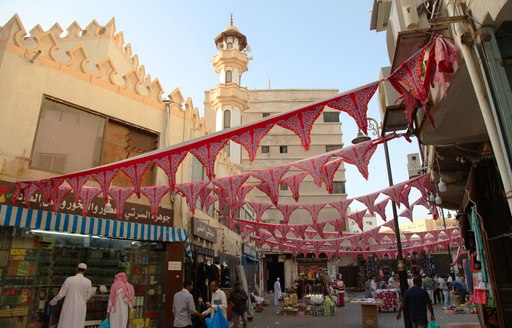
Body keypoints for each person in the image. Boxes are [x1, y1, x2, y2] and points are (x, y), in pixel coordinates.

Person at [49, 263, 92, 328]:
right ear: (85, 271)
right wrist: (81, 301)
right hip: (80, 307)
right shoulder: (88, 282)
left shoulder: (69, 279)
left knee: (66, 323)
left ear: (77, 269)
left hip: (69, 306)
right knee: (77, 324)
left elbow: (61, 294)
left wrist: (53, 301)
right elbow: (88, 296)